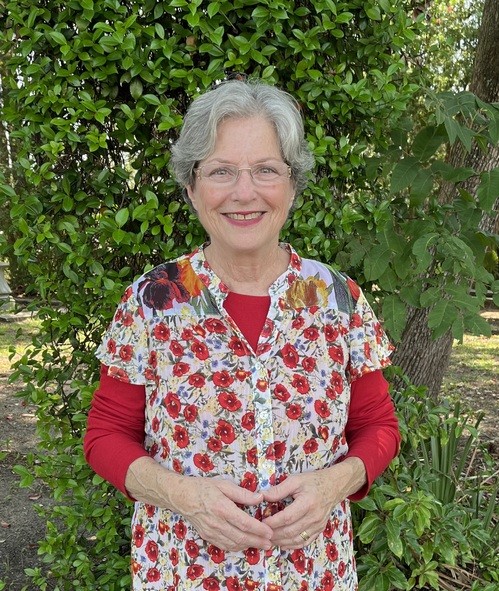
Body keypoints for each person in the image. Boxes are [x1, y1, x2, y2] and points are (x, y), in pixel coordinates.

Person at [84, 78, 400, 591]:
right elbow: (104, 436)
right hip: (183, 573)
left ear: (292, 184)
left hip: (313, 575)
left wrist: (334, 484)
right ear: (192, 188)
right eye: (221, 171)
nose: (244, 192)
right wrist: (185, 496)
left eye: (266, 170)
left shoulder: (338, 298)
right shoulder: (154, 299)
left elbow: (379, 426)